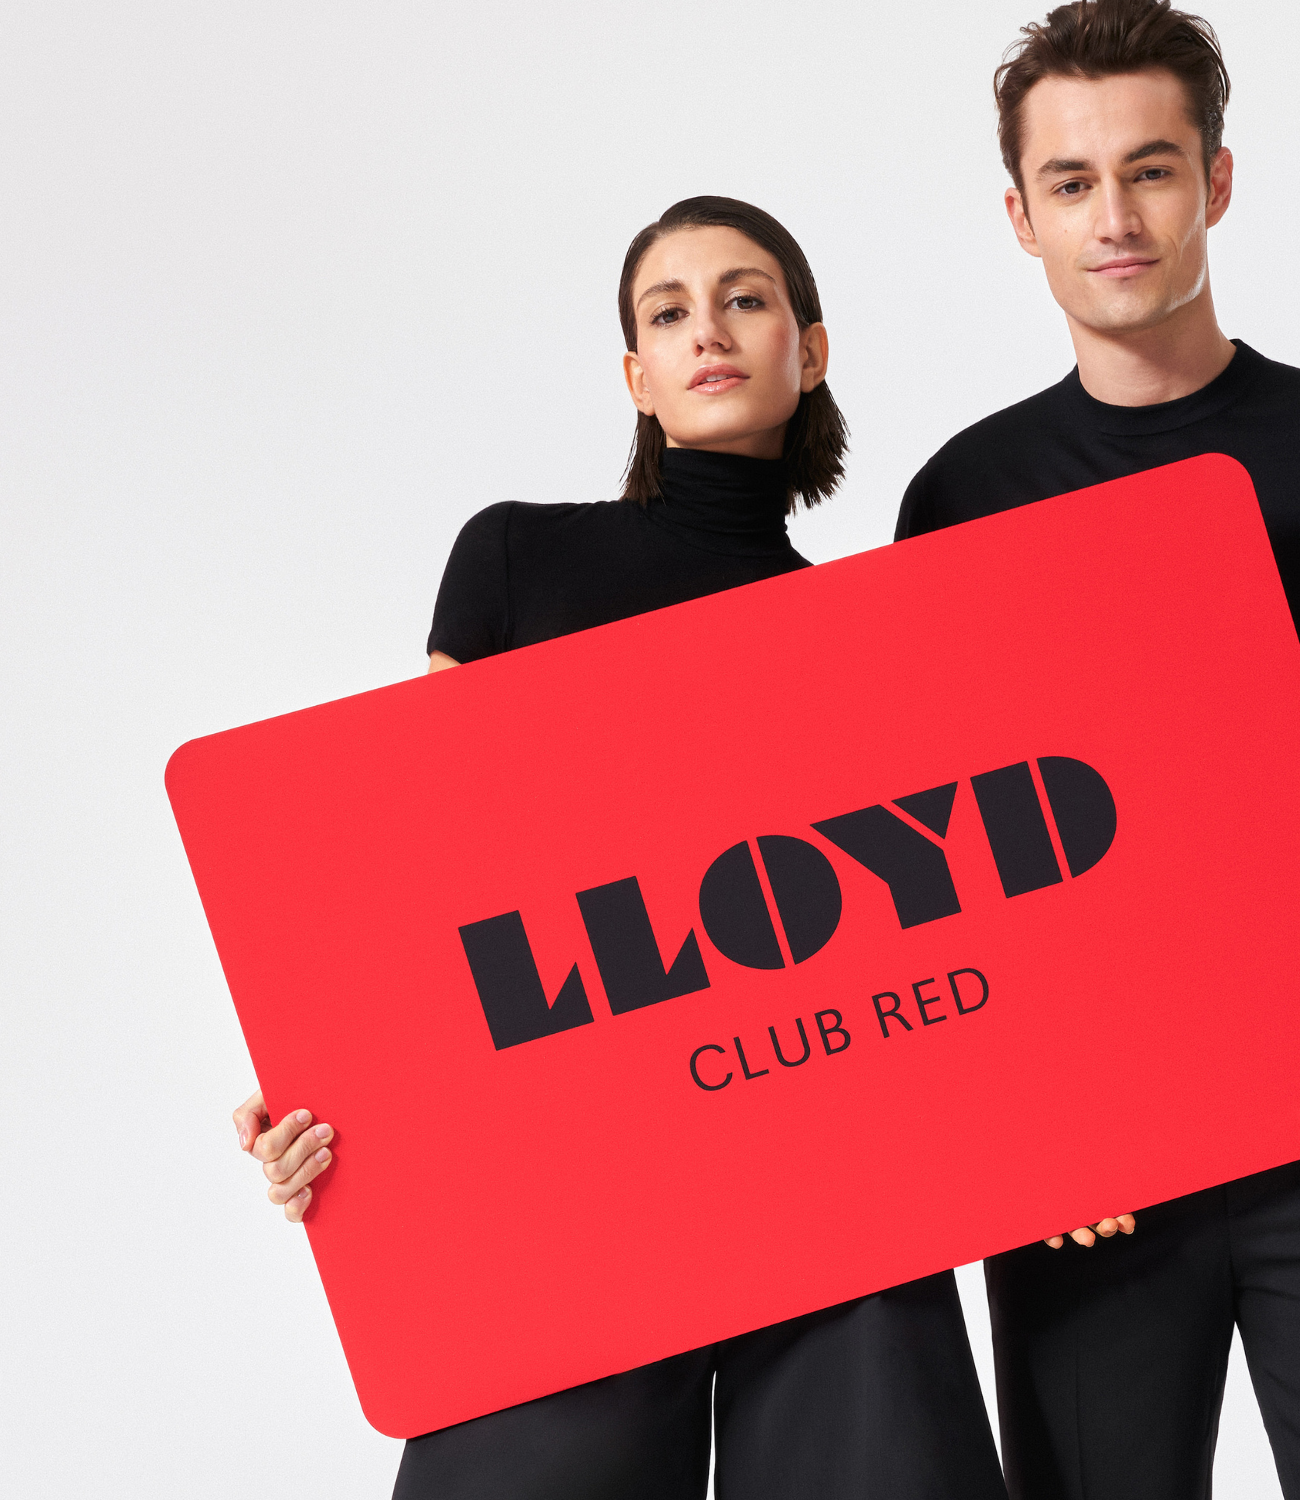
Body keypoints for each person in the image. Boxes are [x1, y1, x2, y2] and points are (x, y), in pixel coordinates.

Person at [231, 197, 1009, 1500]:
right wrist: (321, 1077)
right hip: (573, 1188)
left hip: (827, 1167)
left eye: (745, 299)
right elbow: (416, 871)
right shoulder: (518, 557)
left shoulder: (869, 635)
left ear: (811, 349)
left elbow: (922, 918)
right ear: (638, 376)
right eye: (670, 311)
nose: (710, 330)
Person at [895, 5, 1300, 1498]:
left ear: (1218, 181)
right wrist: (1008, 1123)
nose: (1116, 218)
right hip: (1090, 1160)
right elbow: (923, 853)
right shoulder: (962, 496)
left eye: (1151, 169)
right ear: (1020, 217)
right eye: (1072, 182)